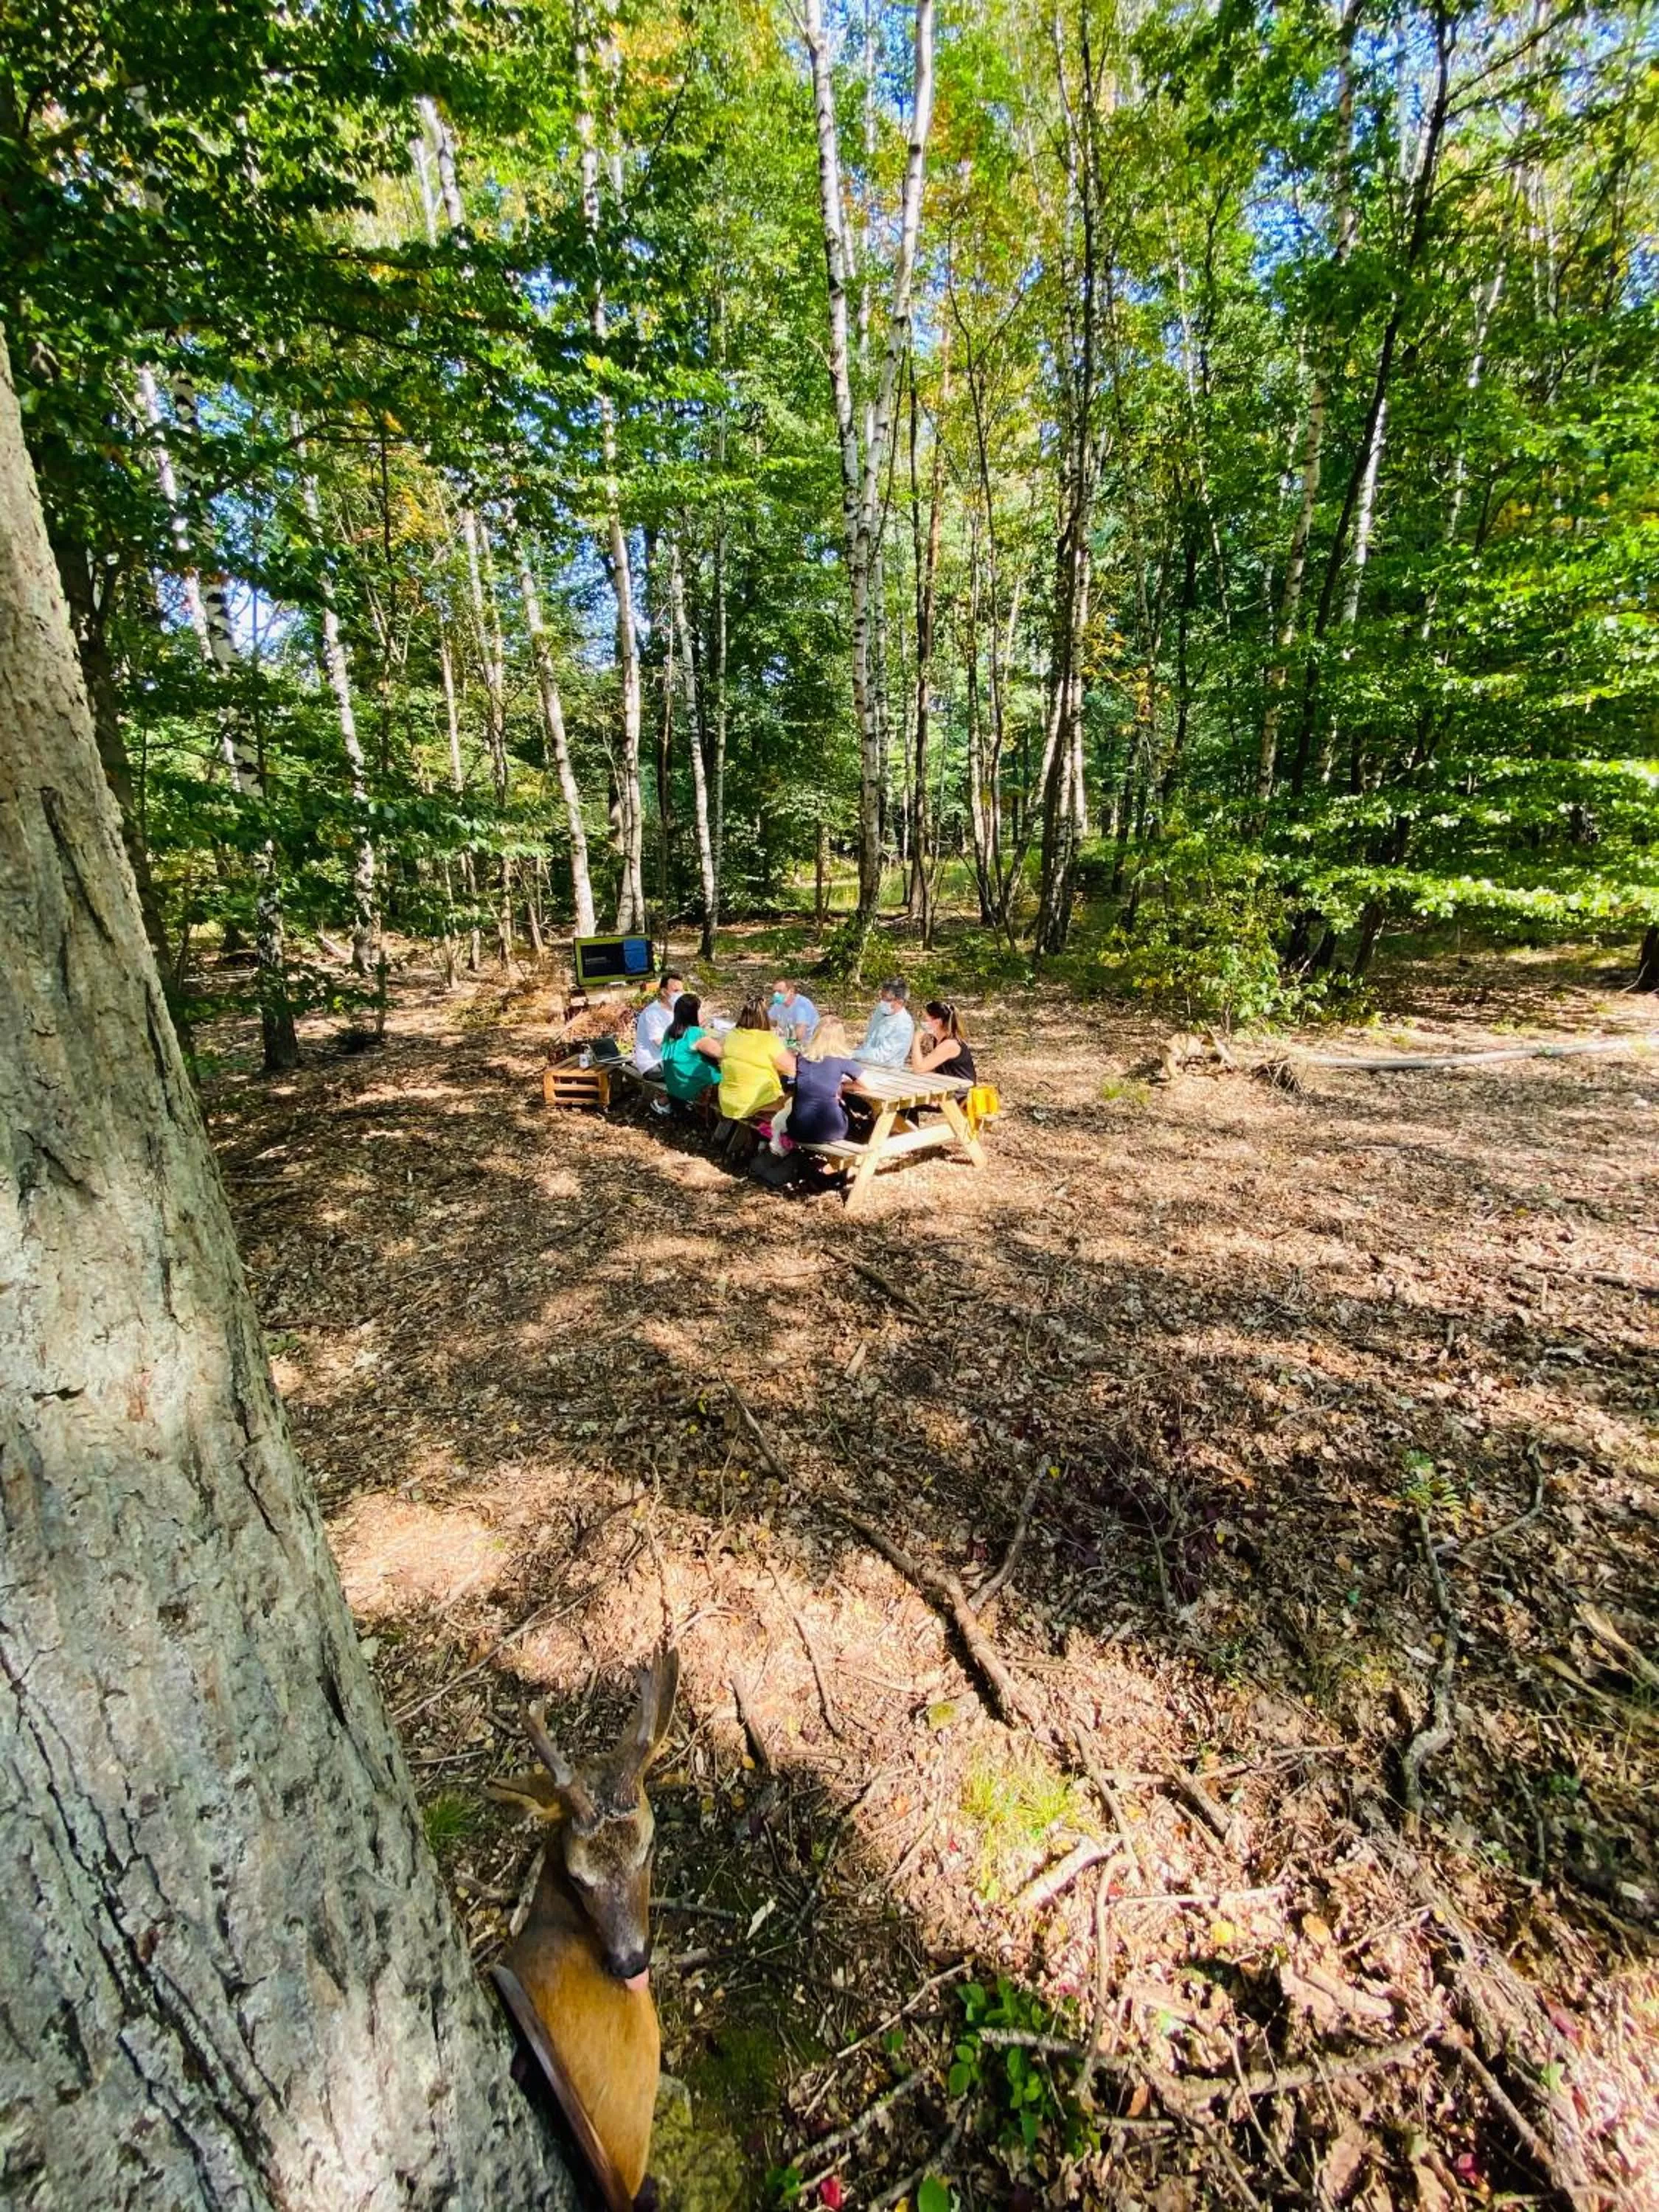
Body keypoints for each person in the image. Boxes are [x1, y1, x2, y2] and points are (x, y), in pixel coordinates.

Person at [771, 1015, 864, 1152]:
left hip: (797, 1128)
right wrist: (845, 1086)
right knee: (850, 1114)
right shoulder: (843, 1062)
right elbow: (869, 1084)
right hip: (830, 1131)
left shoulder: (801, 1059)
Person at [697, 1001, 794, 1121]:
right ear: (765, 1018)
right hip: (754, 1104)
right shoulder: (769, 1040)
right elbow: (792, 1069)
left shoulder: (731, 1035)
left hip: (728, 1102)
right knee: (793, 1093)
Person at [659, 993, 722, 1107]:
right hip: (694, 1090)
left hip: (675, 1087)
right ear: (693, 1013)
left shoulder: (669, 1031)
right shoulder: (695, 1033)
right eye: (700, 1010)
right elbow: (721, 1053)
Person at [908, 1000, 977, 1086]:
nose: (922, 1023)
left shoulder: (949, 1044)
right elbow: (929, 1067)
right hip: (947, 1085)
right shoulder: (938, 1040)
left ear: (937, 1022)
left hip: (961, 1091)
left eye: (925, 1019)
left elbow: (918, 1068)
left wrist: (916, 1038)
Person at [633, 971, 684, 1075]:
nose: (680, 995)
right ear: (664, 992)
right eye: (676, 991)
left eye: (682, 991)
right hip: (653, 1065)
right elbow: (662, 1045)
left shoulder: (677, 1011)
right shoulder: (652, 1013)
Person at [855, 979, 914, 1068]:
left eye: (887, 999)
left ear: (900, 1002)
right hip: (864, 1062)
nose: (882, 1002)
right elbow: (869, 1039)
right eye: (881, 997)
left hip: (886, 1070)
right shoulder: (880, 1010)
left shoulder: (904, 1025)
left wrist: (853, 1054)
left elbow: (882, 1056)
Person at [768, 979, 819, 1051]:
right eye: (774, 992)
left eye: (780, 992)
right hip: (789, 1042)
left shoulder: (802, 1005)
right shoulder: (778, 1005)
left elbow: (799, 1035)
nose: (776, 995)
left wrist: (781, 1039)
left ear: (791, 991)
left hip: (808, 1046)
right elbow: (767, 1023)